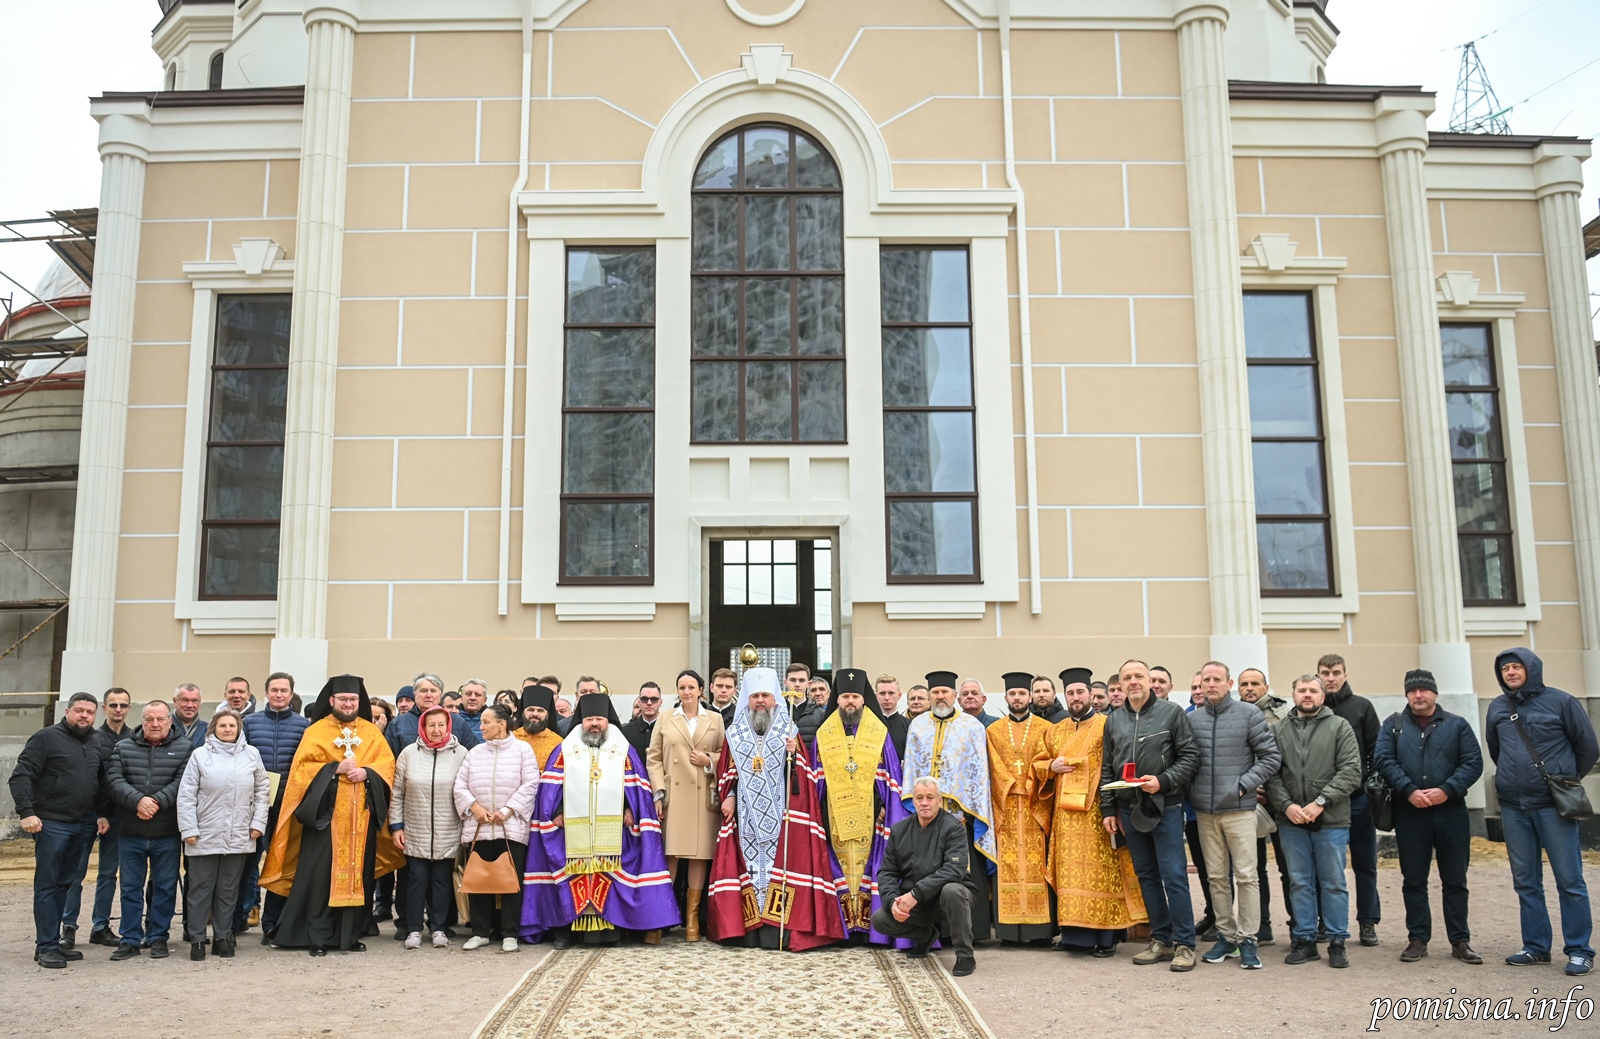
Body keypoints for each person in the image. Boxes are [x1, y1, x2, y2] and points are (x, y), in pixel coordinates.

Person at [260, 675, 405, 956]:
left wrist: (367, 772)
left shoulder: (370, 732)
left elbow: (387, 766)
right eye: (343, 699)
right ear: (331, 700)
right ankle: (317, 935)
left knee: (358, 876)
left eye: (353, 699)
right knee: (320, 878)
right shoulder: (316, 731)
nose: (348, 704)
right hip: (324, 820)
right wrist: (334, 768)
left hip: (360, 820)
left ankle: (349, 936)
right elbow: (301, 771)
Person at [522, 693, 680, 947]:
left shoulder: (623, 749)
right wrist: (557, 811)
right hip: (571, 829)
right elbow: (550, 787)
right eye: (589, 719)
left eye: (599, 719)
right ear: (581, 721)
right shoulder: (565, 749)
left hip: (614, 827)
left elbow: (636, 786)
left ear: (608, 721)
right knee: (572, 877)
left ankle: (610, 932)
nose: (594, 724)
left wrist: (631, 809)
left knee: (609, 876)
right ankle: (566, 932)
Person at [707, 667, 844, 950]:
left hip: (782, 814)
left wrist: (795, 755)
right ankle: (747, 931)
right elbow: (728, 771)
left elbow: (804, 778)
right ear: (747, 698)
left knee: (777, 871)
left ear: (774, 699)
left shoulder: (789, 729)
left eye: (766, 696)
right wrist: (728, 795)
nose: (760, 701)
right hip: (744, 815)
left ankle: (775, 931)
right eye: (755, 696)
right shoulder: (736, 732)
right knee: (748, 870)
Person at [1485, 647, 1598, 977]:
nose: (1510, 672)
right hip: (1513, 807)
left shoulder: (1562, 702)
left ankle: (1579, 950)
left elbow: (1588, 748)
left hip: (1553, 806)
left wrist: (1564, 779)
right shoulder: (1497, 707)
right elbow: (1497, 751)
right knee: (1525, 881)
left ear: (1531, 669)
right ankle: (1535, 947)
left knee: (1569, 880)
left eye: (1516, 666)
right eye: (1505, 668)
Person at [1372, 669, 1484, 965]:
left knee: (1455, 879)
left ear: (1435, 693)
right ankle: (1418, 939)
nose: (1418, 695)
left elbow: (1473, 763)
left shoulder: (1457, 725)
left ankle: (1460, 940)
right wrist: (1408, 790)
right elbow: (1383, 759)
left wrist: (1447, 790)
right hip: (1410, 813)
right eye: (1412, 691)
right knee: (1413, 879)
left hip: (1451, 812)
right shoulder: (1393, 725)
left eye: (1423, 690)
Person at [1100, 659, 1200, 972]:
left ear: (1149, 680)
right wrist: (1108, 808)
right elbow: (1107, 767)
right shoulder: (1114, 719)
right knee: (1146, 875)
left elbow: (1190, 756)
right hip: (1128, 809)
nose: (1133, 681)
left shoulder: (1172, 713)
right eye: (1127, 677)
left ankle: (1185, 944)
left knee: (1174, 875)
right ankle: (1161, 939)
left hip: (1165, 806)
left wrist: (1163, 781)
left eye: (1138, 676)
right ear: (1120, 684)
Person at [1036, 671, 1145, 956]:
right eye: (1070, 693)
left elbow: (1118, 764)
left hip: (1098, 814)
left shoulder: (1107, 725)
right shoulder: (1055, 730)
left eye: (1080, 692)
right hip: (1065, 817)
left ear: (1091, 695)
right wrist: (1050, 767)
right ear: (1065, 697)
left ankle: (1106, 939)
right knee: (1070, 876)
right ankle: (1074, 937)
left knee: (1103, 875)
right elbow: (1039, 763)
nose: (1076, 698)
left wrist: (1115, 808)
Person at [1189, 661, 1281, 970]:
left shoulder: (1249, 714)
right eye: (1206, 679)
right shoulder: (1193, 719)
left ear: (1229, 684)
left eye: (1217, 679)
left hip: (1239, 809)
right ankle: (1226, 936)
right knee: (1216, 877)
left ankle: (1248, 939)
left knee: (1246, 876)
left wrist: (1243, 785)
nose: (1211, 684)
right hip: (1205, 811)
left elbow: (1270, 757)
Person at [9, 692, 111, 968]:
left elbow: (99, 781)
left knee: (65, 884)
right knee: (48, 884)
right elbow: (21, 776)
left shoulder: (96, 741)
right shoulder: (46, 738)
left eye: (90, 712)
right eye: (79, 711)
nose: (84, 716)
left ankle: (50, 942)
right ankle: (46, 947)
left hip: (82, 824)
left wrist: (101, 813)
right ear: (67, 712)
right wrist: (26, 812)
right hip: (51, 823)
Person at [1268, 674, 1362, 969]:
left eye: (1312, 690)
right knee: (1299, 881)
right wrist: (1287, 806)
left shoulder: (1339, 727)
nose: (1306, 695)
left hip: (1331, 820)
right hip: (1291, 820)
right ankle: (1305, 940)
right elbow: (1271, 773)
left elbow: (1351, 771)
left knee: (1333, 882)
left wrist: (1321, 802)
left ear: (1323, 696)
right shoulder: (1278, 730)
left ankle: (1337, 941)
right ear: (1293, 695)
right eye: (1301, 690)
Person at [812, 667, 907, 942]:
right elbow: (817, 780)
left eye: (855, 696)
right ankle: (841, 930)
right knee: (837, 868)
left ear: (864, 699)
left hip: (872, 817)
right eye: (845, 697)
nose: (850, 702)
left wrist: (884, 805)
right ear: (838, 699)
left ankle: (868, 930)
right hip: (833, 816)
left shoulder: (878, 732)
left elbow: (889, 776)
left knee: (870, 868)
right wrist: (818, 813)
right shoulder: (824, 733)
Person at [903, 671, 997, 944]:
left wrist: (968, 806)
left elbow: (979, 773)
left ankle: (970, 932)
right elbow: (911, 768)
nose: (940, 696)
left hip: (960, 816)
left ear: (954, 696)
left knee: (962, 870)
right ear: (929, 696)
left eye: (945, 692)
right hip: (926, 813)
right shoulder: (918, 725)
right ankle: (932, 933)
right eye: (935, 692)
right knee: (926, 869)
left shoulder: (972, 726)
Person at [176, 709, 269, 961]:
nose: (228, 729)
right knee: (200, 888)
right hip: (204, 832)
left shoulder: (252, 755)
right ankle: (197, 938)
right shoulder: (200, 755)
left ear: (239, 729)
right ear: (213, 729)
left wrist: (258, 823)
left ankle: (222, 937)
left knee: (229, 889)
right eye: (222, 725)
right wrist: (189, 828)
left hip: (239, 832)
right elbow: (186, 795)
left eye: (232, 725)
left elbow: (262, 792)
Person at [105, 699, 193, 961]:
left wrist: (155, 802)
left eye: (160, 719)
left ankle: (158, 937)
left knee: (165, 888)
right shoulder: (123, 747)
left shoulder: (185, 748)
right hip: (130, 831)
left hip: (166, 832)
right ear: (142, 721)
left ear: (169, 721)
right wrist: (138, 801)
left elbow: (183, 782)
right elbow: (114, 780)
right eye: (149, 719)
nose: (155, 724)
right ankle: (130, 939)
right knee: (130, 888)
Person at [450, 704, 539, 952]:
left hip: (510, 828)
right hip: (479, 827)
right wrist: (474, 808)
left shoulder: (522, 751)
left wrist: (508, 810)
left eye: (486, 722)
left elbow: (531, 783)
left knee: (510, 881)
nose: (481, 727)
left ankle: (510, 933)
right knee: (479, 880)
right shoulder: (475, 753)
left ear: (502, 724)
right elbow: (460, 786)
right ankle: (480, 932)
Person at [646, 669, 726, 942]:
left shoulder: (714, 719)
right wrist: (658, 793)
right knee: (670, 856)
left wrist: (709, 760)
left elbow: (725, 755)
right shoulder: (666, 717)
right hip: (674, 796)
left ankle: (692, 919)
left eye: (692, 687)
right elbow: (654, 758)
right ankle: (661, 917)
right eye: (682, 687)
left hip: (703, 796)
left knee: (699, 856)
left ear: (702, 690)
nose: (687, 692)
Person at [871, 776, 977, 977]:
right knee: (880, 919)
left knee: (953, 891)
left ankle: (965, 954)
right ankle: (926, 936)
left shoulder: (954, 828)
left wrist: (915, 894)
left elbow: (954, 870)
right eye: (919, 798)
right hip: (917, 903)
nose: (924, 802)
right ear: (913, 801)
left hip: (948, 899)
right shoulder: (899, 830)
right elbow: (887, 872)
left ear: (939, 801)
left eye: (930, 797)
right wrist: (893, 902)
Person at [391, 705, 468, 950]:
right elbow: (397, 793)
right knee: (416, 879)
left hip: (448, 829)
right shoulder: (408, 753)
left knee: (442, 881)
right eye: (431, 725)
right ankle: (414, 928)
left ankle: (439, 928)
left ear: (448, 726)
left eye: (441, 725)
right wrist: (396, 826)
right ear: (422, 727)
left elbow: (466, 790)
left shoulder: (461, 753)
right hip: (415, 828)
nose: (436, 730)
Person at [1318, 653, 1382, 947]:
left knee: (1365, 863)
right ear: (1318, 675)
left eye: (1336, 672)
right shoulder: (1313, 707)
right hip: (1323, 801)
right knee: (1325, 866)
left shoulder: (1361, 707)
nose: (1330, 678)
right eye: (1325, 673)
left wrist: (1368, 785)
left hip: (1358, 799)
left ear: (1345, 674)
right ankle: (1324, 920)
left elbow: (1376, 749)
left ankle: (1368, 922)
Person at [984, 671, 1054, 943]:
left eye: (1022, 693)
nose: (1017, 698)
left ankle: (1040, 933)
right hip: (1006, 805)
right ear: (1005, 698)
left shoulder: (1045, 728)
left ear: (1030, 697)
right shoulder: (993, 730)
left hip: (1035, 804)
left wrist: (1031, 781)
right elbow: (992, 764)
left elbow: (1047, 760)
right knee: (1008, 863)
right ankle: (1009, 933)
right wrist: (1012, 784)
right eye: (1012, 694)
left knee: (1036, 863)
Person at [63, 688, 132, 950]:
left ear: (129, 708)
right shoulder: (91, 738)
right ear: (104, 708)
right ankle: (68, 927)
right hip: (86, 814)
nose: (118, 709)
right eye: (113, 705)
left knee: (108, 874)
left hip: (117, 815)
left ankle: (100, 926)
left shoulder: (133, 738)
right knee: (75, 873)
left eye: (123, 705)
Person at [242, 671, 309, 941]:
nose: (279, 695)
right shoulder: (249, 723)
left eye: (284, 690)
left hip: (287, 805)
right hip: (253, 805)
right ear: (266, 693)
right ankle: (239, 917)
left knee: (281, 864)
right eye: (274, 690)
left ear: (291, 694)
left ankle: (275, 923)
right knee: (246, 863)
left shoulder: (304, 726)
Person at [1238, 668, 1292, 945]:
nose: (1250, 688)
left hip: (1280, 800)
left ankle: (1299, 926)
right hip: (1247, 799)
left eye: (1255, 683)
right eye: (1244, 684)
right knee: (1253, 868)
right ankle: (1261, 926)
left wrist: (1273, 790)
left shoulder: (1285, 715)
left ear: (1266, 686)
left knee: (1289, 867)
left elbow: (1286, 757)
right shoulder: (1233, 714)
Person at [388, 673, 479, 754]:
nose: (428, 695)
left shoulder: (457, 722)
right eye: (424, 691)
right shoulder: (398, 723)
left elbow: (474, 754)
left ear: (440, 695)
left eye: (433, 691)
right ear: (415, 695)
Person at [515, 684, 564, 768]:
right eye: (530, 710)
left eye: (540, 711)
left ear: (547, 715)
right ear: (523, 712)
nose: (535, 714)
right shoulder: (511, 739)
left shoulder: (558, 744)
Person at [621, 681, 663, 758]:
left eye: (654, 699)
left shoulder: (668, 730)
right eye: (644, 699)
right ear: (639, 702)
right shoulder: (625, 732)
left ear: (661, 702)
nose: (649, 703)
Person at [787, 663, 826, 748]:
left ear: (809, 684)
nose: (797, 684)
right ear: (785, 682)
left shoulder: (821, 714)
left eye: (801, 680)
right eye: (793, 680)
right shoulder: (777, 712)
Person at [876, 674, 910, 758]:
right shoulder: (867, 725)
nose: (886, 698)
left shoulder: (910, 725)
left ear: (899, 696)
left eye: (891, 693)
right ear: (876, 696)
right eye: (882, 693)